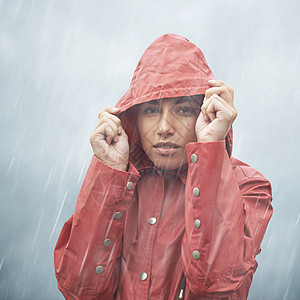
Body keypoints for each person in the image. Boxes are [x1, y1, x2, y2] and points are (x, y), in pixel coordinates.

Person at [54, 34, 273, 299]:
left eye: (182, 110)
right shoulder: (119, 182)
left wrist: (210, 148)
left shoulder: (250, 187)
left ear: (205, 113)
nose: (164, 128)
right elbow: (79, 288)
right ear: (132, 118)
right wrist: (108, 171)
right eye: (151, 110)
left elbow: (215, 282)